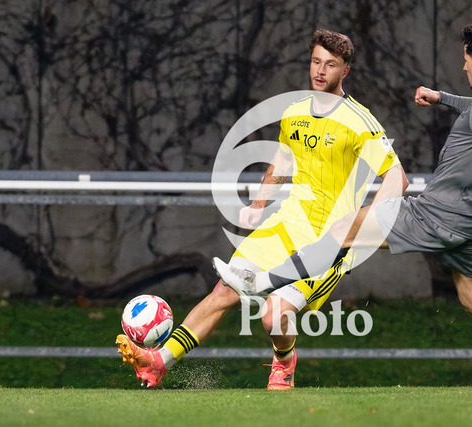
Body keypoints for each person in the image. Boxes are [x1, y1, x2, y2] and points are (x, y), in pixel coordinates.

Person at [214, 22, 472, 391]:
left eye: (467, 60)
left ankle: (258, 281)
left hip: (438, 214)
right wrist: (442, 98)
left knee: (343, 229)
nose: (464, 67)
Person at [116, 29, 408, 389]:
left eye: (330, 65)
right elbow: (283, 160)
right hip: (283, 225)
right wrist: (257, 204)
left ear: (345, 71)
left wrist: (367, 225)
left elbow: (397, 178)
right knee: (224, 290)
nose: (320, 71)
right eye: (316, 62)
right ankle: (158, 361)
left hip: (325, 241)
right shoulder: (295, 111)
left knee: (272, 318)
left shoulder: (359, 121)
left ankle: (284, 361)